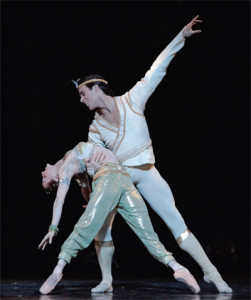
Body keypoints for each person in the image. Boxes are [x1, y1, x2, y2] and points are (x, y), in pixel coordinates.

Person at [72, 15, 232, 293]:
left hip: (146, 173)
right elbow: (89, 164)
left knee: (177, 223)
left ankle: (212, 273)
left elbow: (157, 68)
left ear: (97, 88)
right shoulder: (94, 129)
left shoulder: (133, 99)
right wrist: (89, 194)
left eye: (84, 93)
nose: (82, 99)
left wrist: (180, 37)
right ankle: (107, 280)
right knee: (101, 227)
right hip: (119, 178)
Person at [38, 141, 200, 295]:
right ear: (57, 179)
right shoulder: (65, 170)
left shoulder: (71, 162)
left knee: (147, 233)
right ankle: (57, 270)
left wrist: (94, 201)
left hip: (119, 178)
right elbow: (60, 199)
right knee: (86, 226)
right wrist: (53, 227)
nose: (42, 172)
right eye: (44, 178)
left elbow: (86, 189)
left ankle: (178, 268)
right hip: (117, 177)